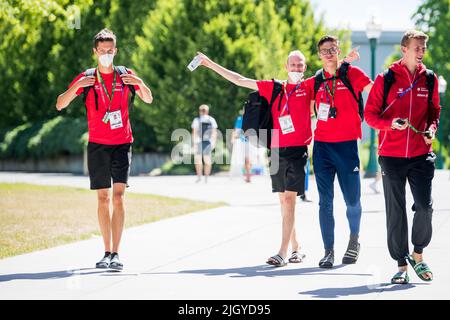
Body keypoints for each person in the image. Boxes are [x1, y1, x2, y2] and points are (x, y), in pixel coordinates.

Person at [196, 50, 313, 266]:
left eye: (300, 65)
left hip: (298, 150)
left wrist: (341, 61)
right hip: (276, 149)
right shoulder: (275, 87)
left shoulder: (308, 87)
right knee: (283, 201)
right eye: (293, 65)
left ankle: (282, 252)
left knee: (289, 200)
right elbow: (240, 80)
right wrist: (211, 64)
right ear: (286, 66)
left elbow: (330, 74)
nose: (296, 68)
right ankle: (297, 247)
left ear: (304, 68)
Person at [56, 28, 153, 270]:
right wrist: (76, 86)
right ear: (95, 52)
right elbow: (60, 104)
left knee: (118, 198)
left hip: (122, 143)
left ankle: (116, 254)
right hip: (98, 145)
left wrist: (140, 83)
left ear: (116, 51)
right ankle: (106, 251)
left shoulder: (125, 75)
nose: (107, 54)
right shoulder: (87, 78)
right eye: (102, 51)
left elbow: (149, 99)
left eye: (110, 51)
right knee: (103, 198)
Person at [365, 30, 440, 284]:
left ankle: (418, 254)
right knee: (395, 212)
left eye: (423, 48)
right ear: (404, 49)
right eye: (417, 48)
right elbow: (370, 115)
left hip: (420, 154)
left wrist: (432, 128)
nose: (421, 52)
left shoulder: (428, 79)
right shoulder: (385, 79)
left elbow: (434, 112)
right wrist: (390, 125)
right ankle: (401, 266)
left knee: (425, 207)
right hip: (391, 155)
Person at [307, 35, 373, 268]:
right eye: (324, 50)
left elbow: (375, 93)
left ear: (338, 51)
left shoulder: (351, 74)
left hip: (347, 147)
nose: (329, 53)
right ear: (319, 55)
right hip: (322, 148)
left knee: (352, 201)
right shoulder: (315, 81)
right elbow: (297, 101)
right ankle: (328, 251)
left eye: (333, 49)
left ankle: (354, 240)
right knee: (325, 202)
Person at [191, 104, 218, 183]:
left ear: (200, 111)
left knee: (198, 160)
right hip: (208, 142)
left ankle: (200, 176)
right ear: (207, 111)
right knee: (207, 160)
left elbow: (194, 132)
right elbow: (214, 132)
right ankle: (206, 177)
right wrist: (214, 142)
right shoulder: (211, 119)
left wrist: (193, 143)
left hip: (198, 142)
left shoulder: (196, 120)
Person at [231, 108, 253, 183]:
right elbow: (236, 130)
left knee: (247, 159)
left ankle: (248, 175)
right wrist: (233, 138)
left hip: (249, 141)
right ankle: (248, 175)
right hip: (243, 141)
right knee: (246, 159)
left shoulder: (249, 119)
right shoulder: (241, 119)